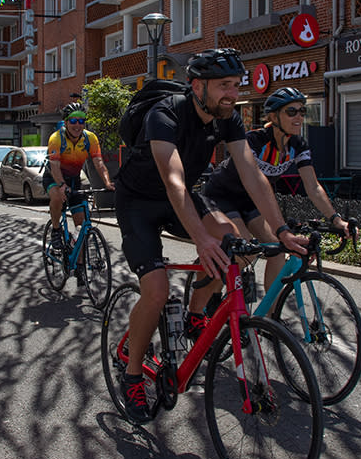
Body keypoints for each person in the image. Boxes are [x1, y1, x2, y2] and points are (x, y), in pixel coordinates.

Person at [113, 48, 306, 423]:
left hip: (181, 198)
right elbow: (172, 179)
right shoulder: (165, 113)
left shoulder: (228, 118)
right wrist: (200, 237)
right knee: (155, 291)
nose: (232, 94)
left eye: (236, 85)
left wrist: (281, 231)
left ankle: (194, 313)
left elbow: (253, 175)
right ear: (197, 85)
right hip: (139, 202)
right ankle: (133, 372)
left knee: (233, 243)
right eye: (223, 86)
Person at [199, 87, 351, 293]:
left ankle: (268, 318)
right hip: (222, 196)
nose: (299, 117)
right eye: (291, 112)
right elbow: (256, 180)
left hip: (251, 201)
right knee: (246, 251)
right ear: (273, 116)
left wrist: (336, 219)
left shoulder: (298, 145)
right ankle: (212, 296)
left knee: (277, 249)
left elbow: (313, 187)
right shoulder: (254, 140)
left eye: (302, 111)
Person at [45, 101, 114, 262]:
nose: (78, 125)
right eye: (74, 121)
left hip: (74, 179)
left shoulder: (90, 138)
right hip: (54, 177)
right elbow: (54, 167)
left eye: (81, 121)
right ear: (66, 122)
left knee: (81, 225)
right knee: (56, 197)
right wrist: (62, 185)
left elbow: (99, 163)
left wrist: (107, 183)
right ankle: (56, 230)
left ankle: (80, 266)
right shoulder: (56, 138)